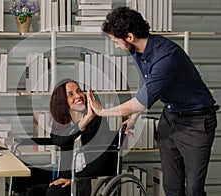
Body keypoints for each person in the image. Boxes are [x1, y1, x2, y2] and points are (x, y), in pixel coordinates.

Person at [87, 6, 219, 196]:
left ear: (130, 37)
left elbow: (141, 101)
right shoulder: (138, 52)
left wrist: (101, 112)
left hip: (196, 122)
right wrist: (133, 118)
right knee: (171, 186)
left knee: (193, 190)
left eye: (116, 41)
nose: (116, 46)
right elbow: (145, 86)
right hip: (170, 119)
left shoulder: (166, 56)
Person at [26, 79, 117, 196]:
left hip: (86, 180)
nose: (78, 96)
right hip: (67, 178)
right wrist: (83, 123)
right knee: (34, 192)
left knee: (54, 193)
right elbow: (58, 140)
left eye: (79, 91)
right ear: (63, 101)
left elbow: (102, 158)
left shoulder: (97, 121)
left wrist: (75, 179)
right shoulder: (63, 123)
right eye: (71, 94)